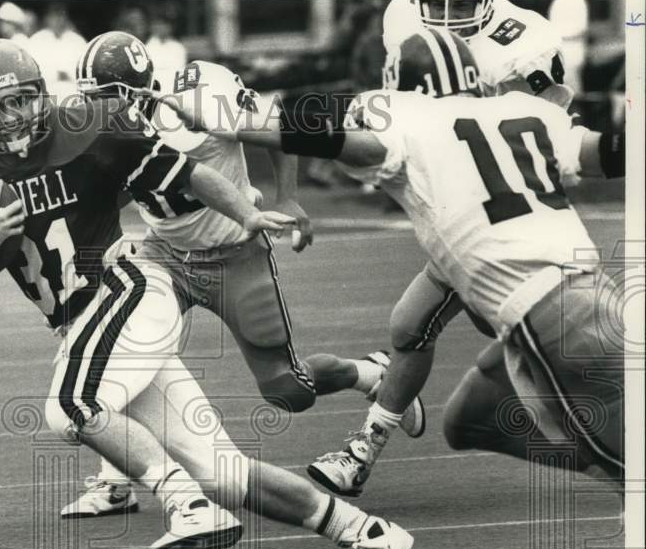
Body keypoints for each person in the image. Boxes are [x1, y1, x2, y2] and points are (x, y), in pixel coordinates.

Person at [0, 40, 413, 549]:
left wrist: (247, 211)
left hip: (129, 287)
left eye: (22, 101)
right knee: (223, 473)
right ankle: (369, 534)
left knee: (72, 406)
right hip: (90, 324)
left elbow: (188, 172)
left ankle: (185, 506)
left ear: (43, 96)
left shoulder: (93, 127)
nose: (10, 118)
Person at [172, 27, 624, 487]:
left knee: (626, 459)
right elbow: (606, 154)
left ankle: (617, 478)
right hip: (568, 287)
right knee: (467, 415)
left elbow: (332, 133)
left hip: (543, 308)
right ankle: (367, 447)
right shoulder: (520, 109)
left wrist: (228, 121)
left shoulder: (405, 117)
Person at [63, 31, 424, 518]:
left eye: (104, 99)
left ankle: (369, 372)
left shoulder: (202, 96)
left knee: (287, 391)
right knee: (125, 355)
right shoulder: (102, 128)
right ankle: (116, 481)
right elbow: (132, 185)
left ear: (135, 92)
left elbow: (280, 126)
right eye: (90, 99)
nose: (95, 110)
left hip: (235, 255)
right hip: (164, 255)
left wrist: (286, 197)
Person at [307, 0, 573, 495]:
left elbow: (547, 140)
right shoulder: (402, 15)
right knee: (413, 329)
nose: (449, 9)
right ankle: (363, 448)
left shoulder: (526, 40)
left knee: (539, 352)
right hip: (461, 223)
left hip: (504, 229)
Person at [28, 3, 86, 96]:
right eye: (54, 17)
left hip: (73, 92)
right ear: (47, 18)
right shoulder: (37, 39)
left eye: (60, 16)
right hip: (47, 93)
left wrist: (68, 74)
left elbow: (84, 69)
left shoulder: (77, 40)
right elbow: (32, 70)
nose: (58, 20)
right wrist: (54, 75)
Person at [145, 14, 187, 79]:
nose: (160, 28)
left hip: (172, 82)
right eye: (157, 25)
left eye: (163, 25)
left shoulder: (178, 47)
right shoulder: (146, 47)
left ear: (170, 28)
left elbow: (179, 70)